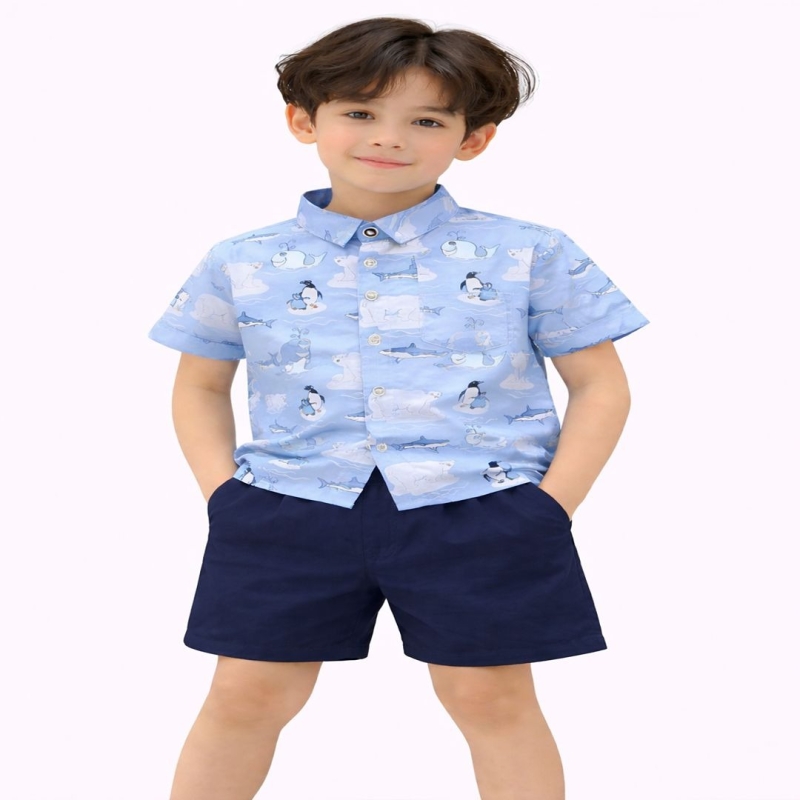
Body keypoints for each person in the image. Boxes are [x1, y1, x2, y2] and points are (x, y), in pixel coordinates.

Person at [149, 16, 649, 800]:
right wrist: (224, 495)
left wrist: (550, 506)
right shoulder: (241, 260)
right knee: (246, 695)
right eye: (360, 112)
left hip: (479, 506)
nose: (388, 137)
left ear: (473, 139)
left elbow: (601, 385)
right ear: (303, 121)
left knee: (489, 699)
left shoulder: (530, 252)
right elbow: (201, 385)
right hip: (287, 506)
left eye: (427, 121)